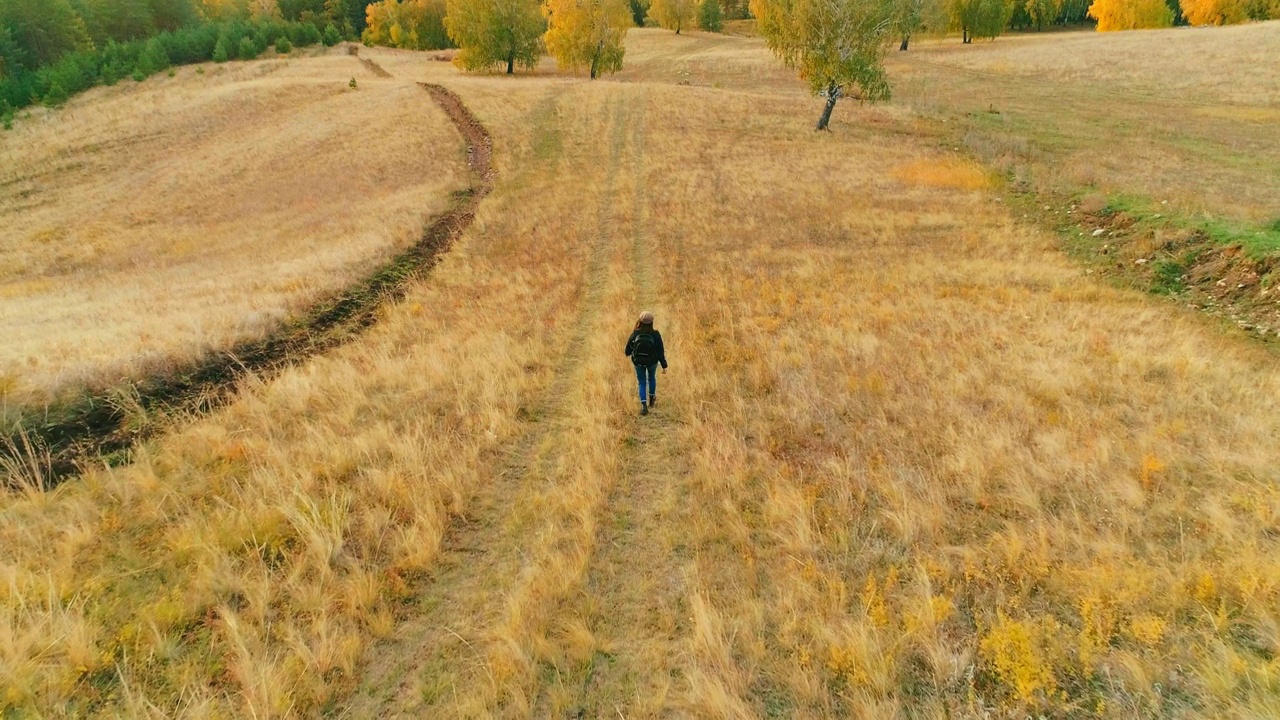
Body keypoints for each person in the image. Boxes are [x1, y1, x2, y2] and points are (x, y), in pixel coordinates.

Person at [624, 311, 667, 416]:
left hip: (638, 362)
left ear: (640, 321)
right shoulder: (655, 334)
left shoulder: (635, 333)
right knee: (652, 378)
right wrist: (664, 365)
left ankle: (643, 406)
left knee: (641, 382)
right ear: (652, 322)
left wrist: (630, 353)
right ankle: (652, 400)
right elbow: (660, 351)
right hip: (652, 362)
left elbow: (627, 350)